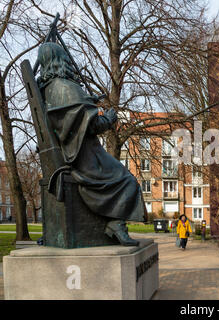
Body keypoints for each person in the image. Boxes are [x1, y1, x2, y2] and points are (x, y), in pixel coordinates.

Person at [37, 42, 145, 246]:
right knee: (128, 181)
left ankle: (112, 224)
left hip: (69, 154)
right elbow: (93, 125)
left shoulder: (48, 90)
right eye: (66, 58)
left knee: (123, 177)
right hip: (84, 158)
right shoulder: (68, 88)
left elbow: (71, 116)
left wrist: (88, 101)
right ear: (61, 61)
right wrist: (110, 118)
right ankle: (116, 224)